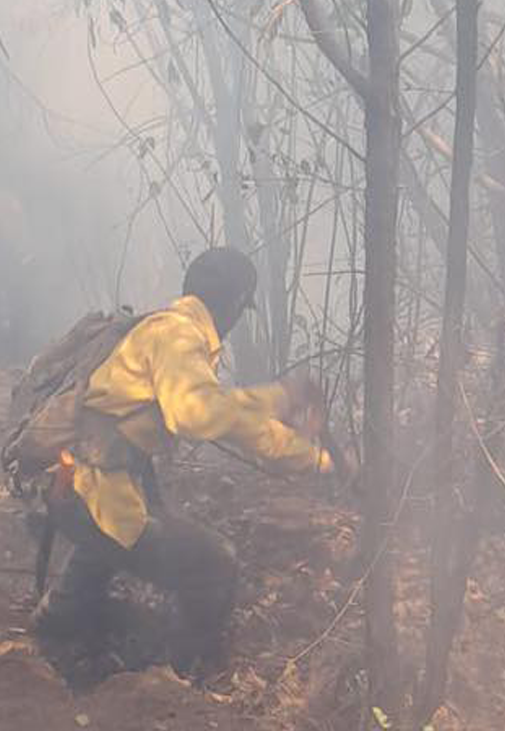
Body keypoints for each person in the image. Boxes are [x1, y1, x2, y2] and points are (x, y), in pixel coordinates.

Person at [32, 247, 333, 677]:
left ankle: (57, 624)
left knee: (126, 522)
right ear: (231, 305)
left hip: (74, 484)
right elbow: (200, 413)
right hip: (92, 491)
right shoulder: (178, 337)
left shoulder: (164, 329)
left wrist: (281, 396)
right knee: (213, 565)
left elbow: (214, 404)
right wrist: (311, 458)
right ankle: (179, 676)